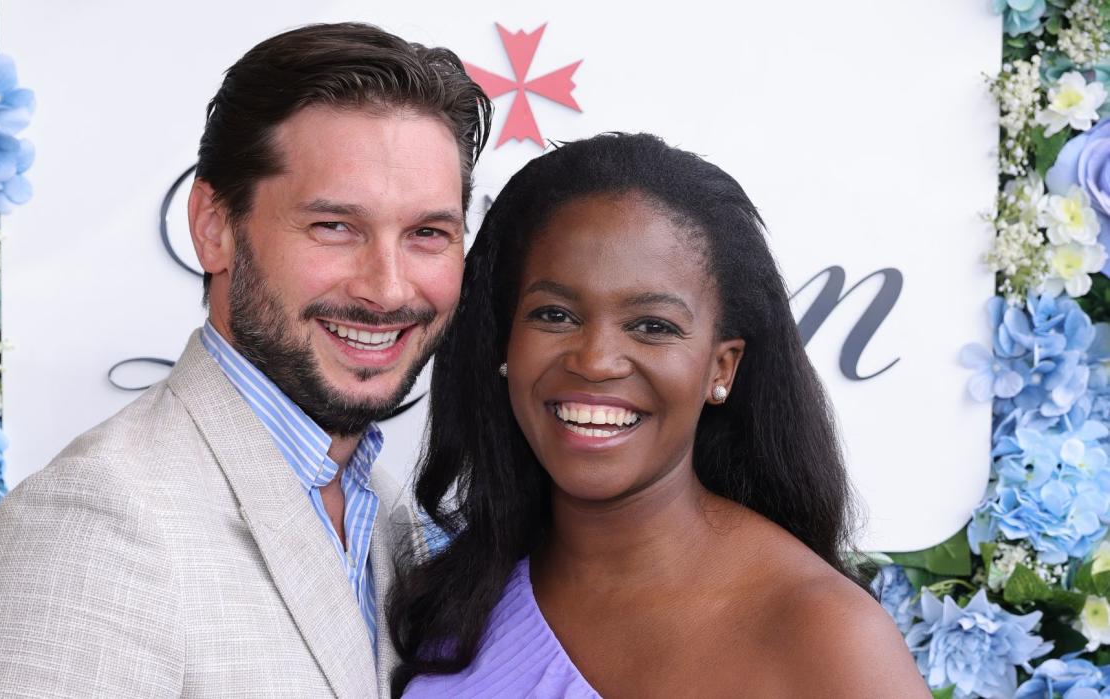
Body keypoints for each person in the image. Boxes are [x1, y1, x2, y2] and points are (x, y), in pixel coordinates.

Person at [0, 23, 490, 698]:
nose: (389, 287)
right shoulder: (91, 524)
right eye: (335, 226)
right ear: (214, 227)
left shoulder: (392, 516)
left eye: (428, 233)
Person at [387, 133, 929, 697]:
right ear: (505, 344)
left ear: (722, 367)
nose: (595, 361)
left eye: (653, 326)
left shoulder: (824, 634)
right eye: (554, 314)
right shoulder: (452, 596)